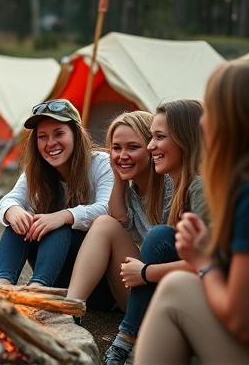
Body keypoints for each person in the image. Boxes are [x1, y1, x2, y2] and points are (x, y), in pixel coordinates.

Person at [135, 60, 249, 364]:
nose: (203, 121)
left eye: (210, 109)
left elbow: (242, 321)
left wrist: (202, 260)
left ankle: (126, 337)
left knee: (176, 287)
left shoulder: (245, 193)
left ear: (232, 119)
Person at [104, 99, 206, 364]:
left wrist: (146, 273)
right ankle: (127, 339)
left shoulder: (198, 187)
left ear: (186, 139)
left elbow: (213, 263)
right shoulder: (184, 184)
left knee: (158, 236)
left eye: (158, 137)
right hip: (187, 287)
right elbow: (117, 217)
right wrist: (117, 176)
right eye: (151, 138)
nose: (152, 147)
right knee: (152, 235)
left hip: (218, 298)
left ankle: (128, 339)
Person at [0, 98, 114, 292]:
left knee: (59, 226)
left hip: (95, 281)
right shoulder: (37, 170)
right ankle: (1, 287)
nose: (50, 143)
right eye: (42, 137)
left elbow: (108, 209)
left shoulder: (102, 165)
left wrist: (63, 216)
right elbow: (10, 199)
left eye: (59, 134)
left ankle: (36, 290)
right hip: (58, 274)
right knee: (20, 223)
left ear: (76, 135)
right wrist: (12, 210)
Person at [67, 111, 172, 315]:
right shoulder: (131, 190)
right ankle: (71, 309)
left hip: (172, 293)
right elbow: (119, 219)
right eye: (116, 148)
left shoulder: (171, 185)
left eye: (132, 147)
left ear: (151, 148)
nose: (122, 155)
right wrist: (118, 177)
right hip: (142, 291)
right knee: (104, 224)